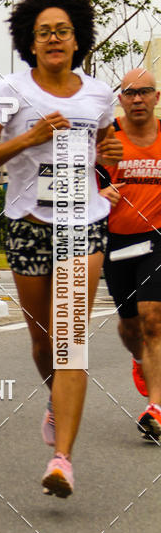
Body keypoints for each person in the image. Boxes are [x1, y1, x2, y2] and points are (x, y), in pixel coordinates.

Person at [0, 0, 119, 498]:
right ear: (30, 43)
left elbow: (103, 152)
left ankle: (62, 460)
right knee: (43, 341)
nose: (53, 39)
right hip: (29, 222)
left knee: (72, 340)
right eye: (43, 32)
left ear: (78, 40)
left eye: (62, 31)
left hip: (84, 222)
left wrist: (108, 152)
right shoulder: (9, 90)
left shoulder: (98, 96)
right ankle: (56, 400)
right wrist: (27, 139)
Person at [101, 68, 161, 439]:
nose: (137, 99)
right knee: (129, 326)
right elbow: (84, 184)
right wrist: (98, 194)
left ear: (156, 97)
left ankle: (156, 407)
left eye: (144, 92)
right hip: (117, 240)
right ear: (120, 99)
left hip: (157, 239)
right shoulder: (109, 139)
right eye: (129, 93)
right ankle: (140, 360)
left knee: (153, 319)